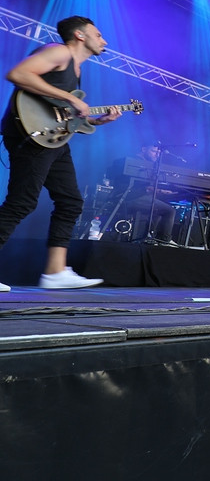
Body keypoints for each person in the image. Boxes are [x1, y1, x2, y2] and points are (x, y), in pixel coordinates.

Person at [0, 16, 122, 290]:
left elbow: (62, 116)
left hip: (53, 141)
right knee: (21, 203)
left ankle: (55, 272)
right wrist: (71, 98)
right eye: (99, 34)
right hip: (31, 137)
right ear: (80, 35)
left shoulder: (76, 70)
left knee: (70, 202)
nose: (104, 40)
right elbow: (18, 75)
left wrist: (95, 121)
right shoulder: (59, 51)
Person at [117, 143, 177, 244]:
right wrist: (160, 191)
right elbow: (141, 187)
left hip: (136, 196)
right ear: (143, 149)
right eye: (153, 151)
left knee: (160, 206)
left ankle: (150, 237)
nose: (157, 155)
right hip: (130, 197)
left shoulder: (148, 164)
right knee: (170, 211)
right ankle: (164, 241)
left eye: (158, 153)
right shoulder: (135, 161)